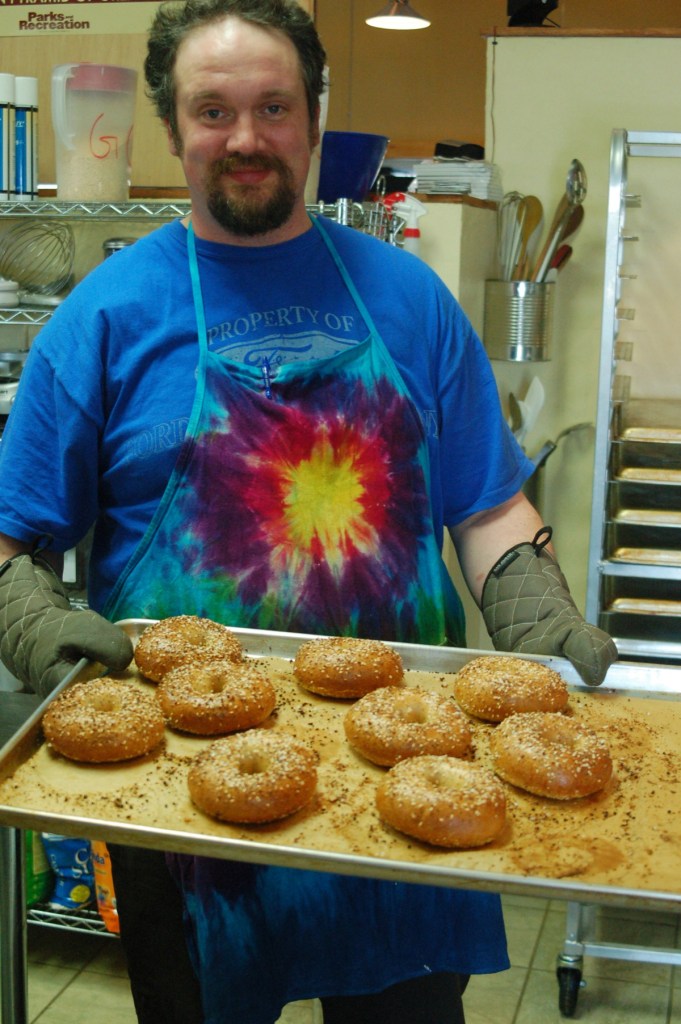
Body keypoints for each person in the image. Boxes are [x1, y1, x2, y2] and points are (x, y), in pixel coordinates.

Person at [0, 1, 617, 1021]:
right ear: (174, 127)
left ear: (315, 117)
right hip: (187, 799)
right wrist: (23, 617)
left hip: (411, 785)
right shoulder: (103, 318)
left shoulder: (412, 301)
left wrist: (540, 616)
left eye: (273, 106)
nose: (245, 137)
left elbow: (487, 506)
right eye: (214, 110)